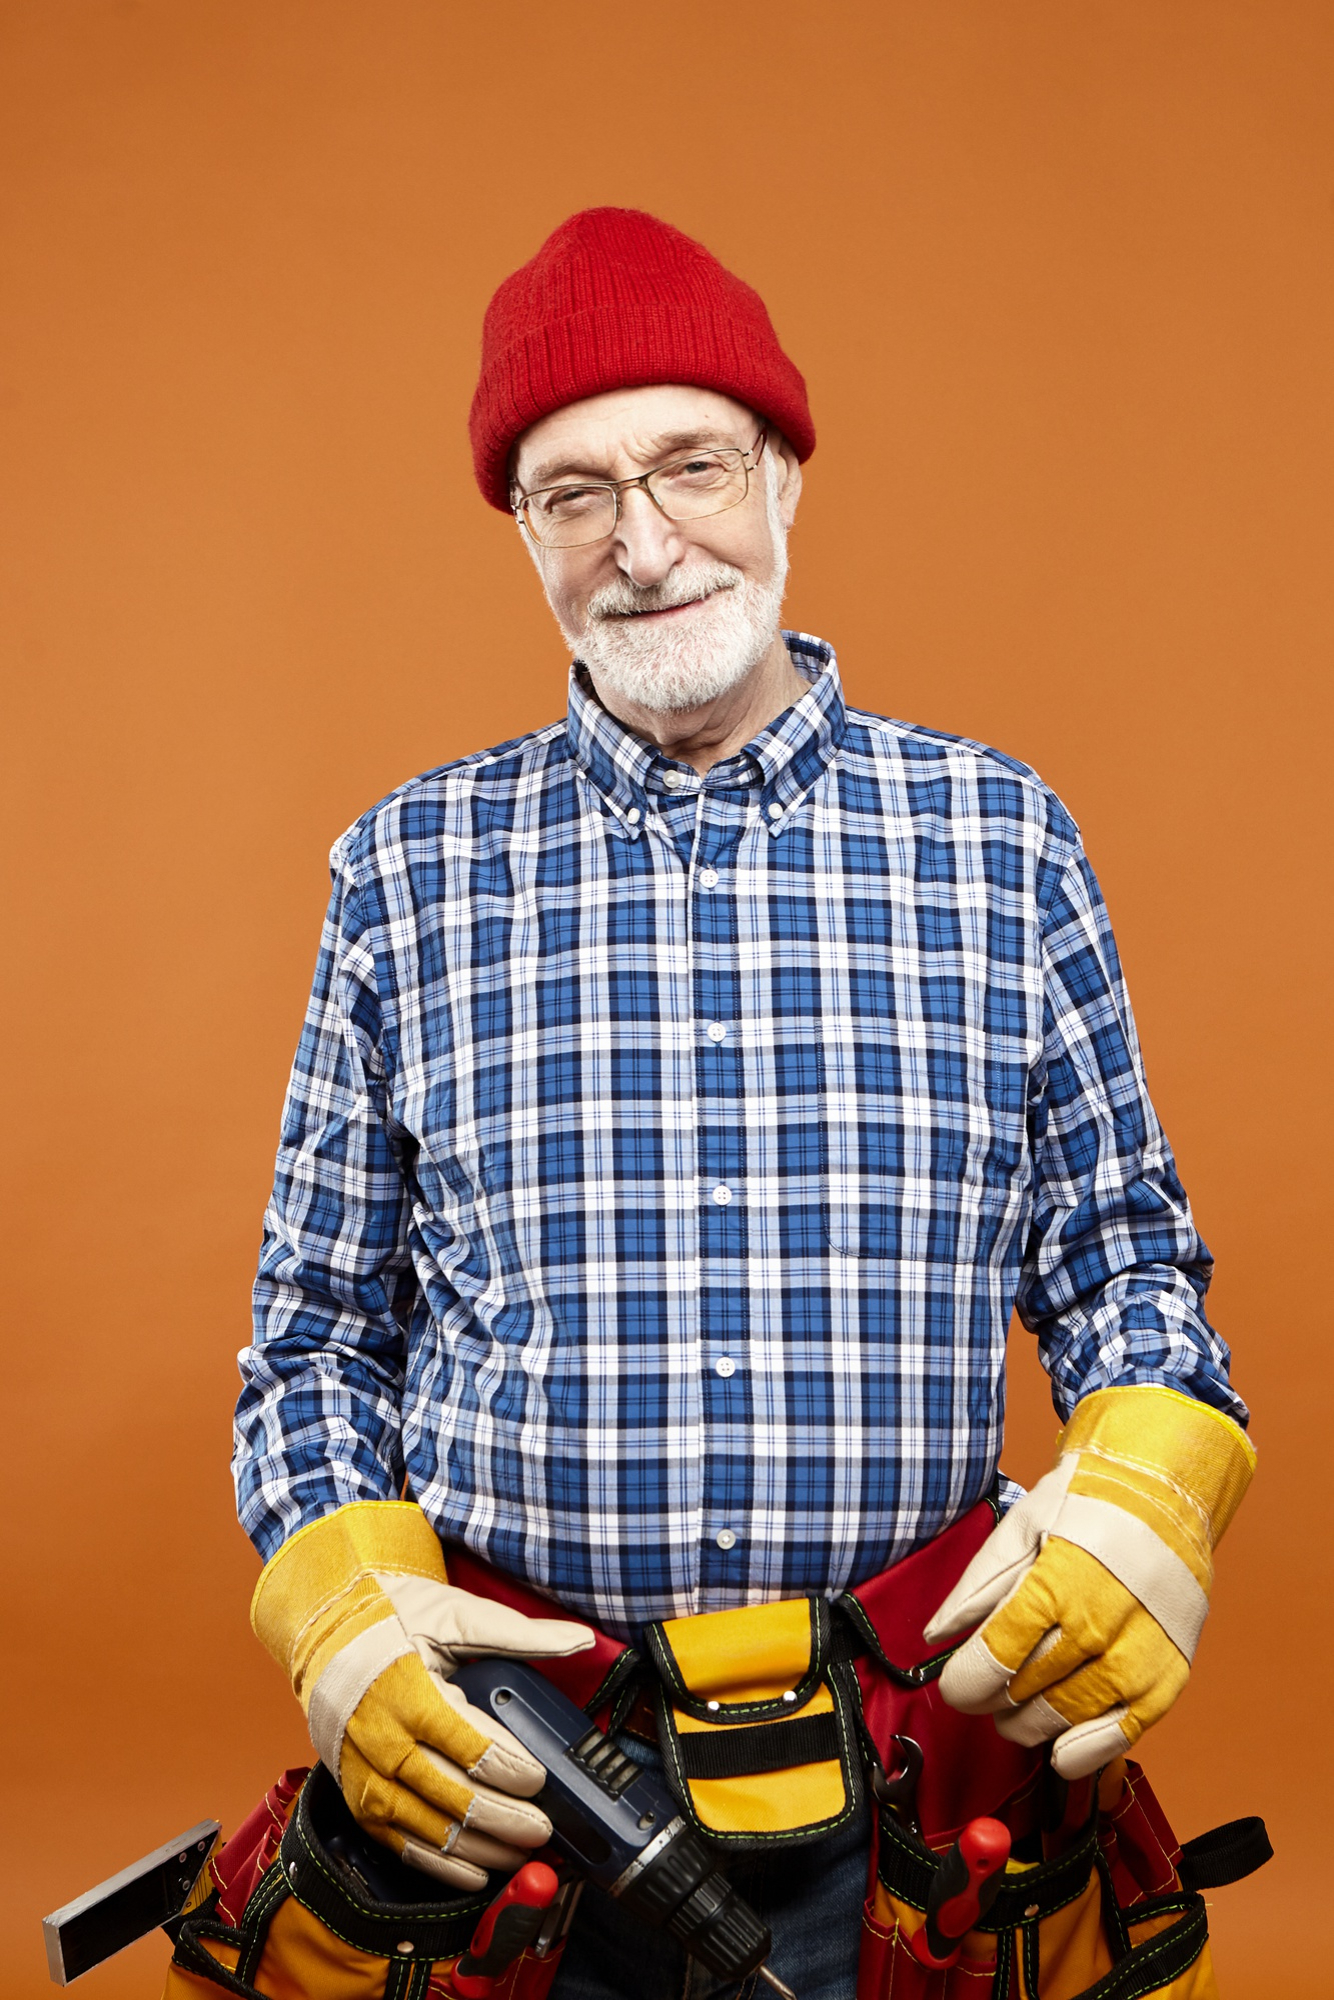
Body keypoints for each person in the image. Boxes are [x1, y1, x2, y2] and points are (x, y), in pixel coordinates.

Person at [233, 209, 1254, 2000]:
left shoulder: (999, 844)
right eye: (572, 493)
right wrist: (336, 1606)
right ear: (522, 530)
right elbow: (315, 1344)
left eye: (691, 464)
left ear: (783, 471)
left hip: (914, 1788)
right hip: (514, 1784)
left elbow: (1123, 1275)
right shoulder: (403, 870)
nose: (642, 542)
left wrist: (1146, 1493)